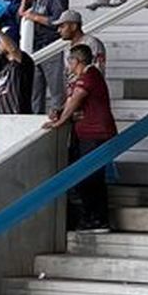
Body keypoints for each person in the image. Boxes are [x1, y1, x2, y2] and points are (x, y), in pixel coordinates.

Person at [45, 43, 117, 233]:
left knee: (92, 178)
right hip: (85, 135)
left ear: (75, 61)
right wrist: (60, 112)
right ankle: (90, 218)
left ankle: (98, 220)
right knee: (84, 178)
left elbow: (75, 100)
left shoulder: (90, 76)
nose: (67, 64)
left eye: (69, 60)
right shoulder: (82, 77)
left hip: (96, 135)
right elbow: (71, 103)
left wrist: (59, 122)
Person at [20, 0, 69, 114]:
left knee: (56, 90)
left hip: (51, 46)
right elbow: (21, 14)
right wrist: (24, 1)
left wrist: (34, 16)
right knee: (35, 91)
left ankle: (59, 119)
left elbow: (59, 21)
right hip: (35, 47)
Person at [0, 23, 35, 115]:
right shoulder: (2, 71)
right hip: (3, 120)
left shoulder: (24, 61)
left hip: (20, 117)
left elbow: (13, 49)